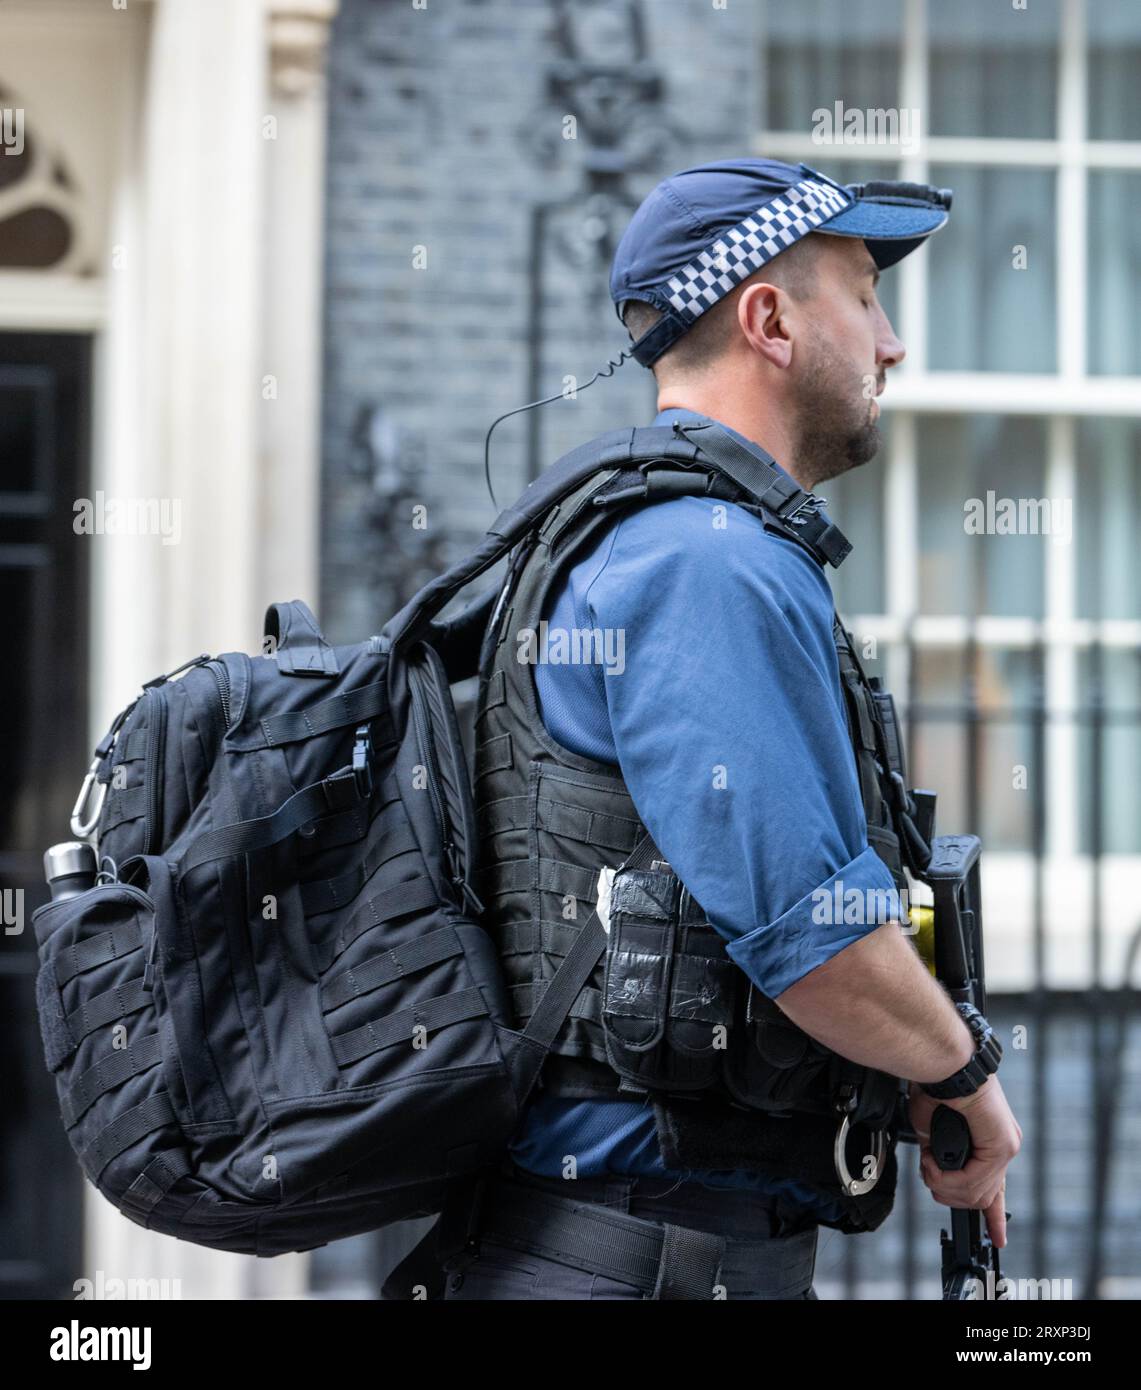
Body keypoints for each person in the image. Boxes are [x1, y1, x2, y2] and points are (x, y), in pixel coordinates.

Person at [443, 158, 1021, 1301]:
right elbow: (811, 937)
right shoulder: (707, 560)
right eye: (863, 295)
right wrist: (965, 1074)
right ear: (768, 321)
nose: (891, 343)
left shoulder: (658, 539)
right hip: (648, 1258)